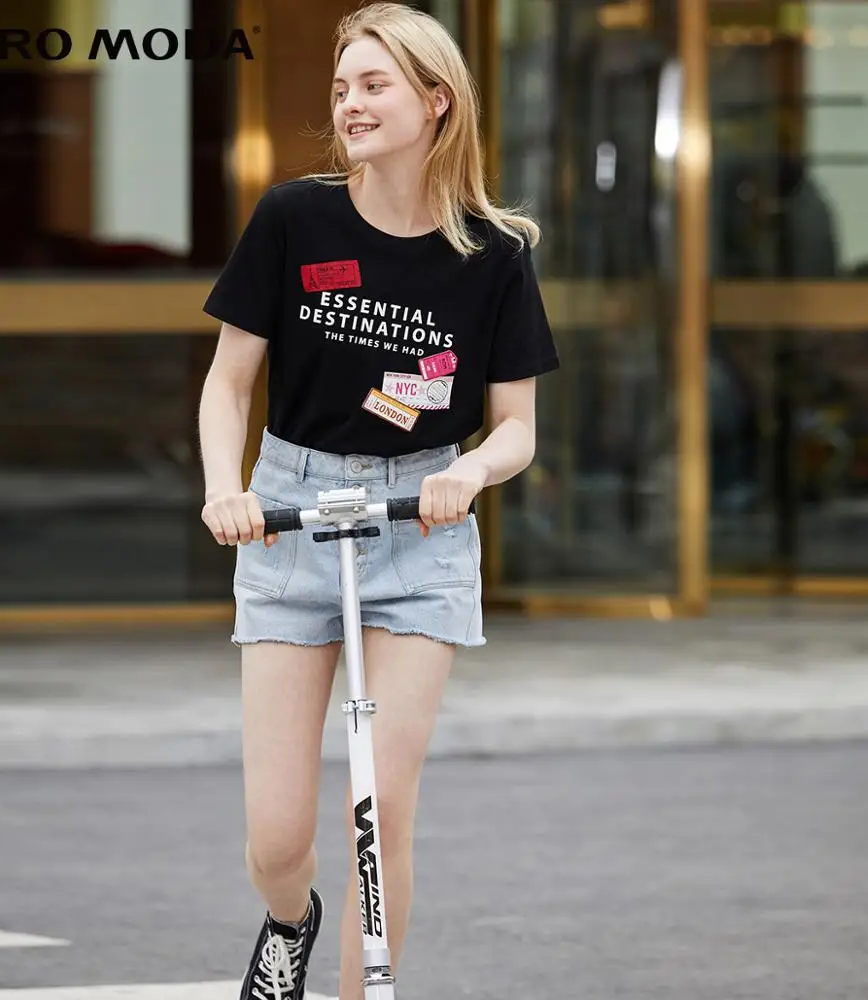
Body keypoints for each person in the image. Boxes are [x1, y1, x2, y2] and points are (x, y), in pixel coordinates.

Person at [197, 3, 559, 997]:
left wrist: (470, 472)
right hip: (290, 516)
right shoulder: (293, 218)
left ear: (435, 100)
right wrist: (226, 489)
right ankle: (289, 921)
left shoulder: (492, 254)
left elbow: (517, 428)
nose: (349, 104)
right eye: (341, 88)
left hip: (419, 526)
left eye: (372, 85)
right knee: (277, 838)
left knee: (379, 805)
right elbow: (228, 383)